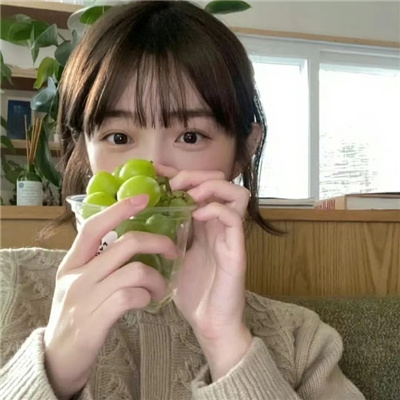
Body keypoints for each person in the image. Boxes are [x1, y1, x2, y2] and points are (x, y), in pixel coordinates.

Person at [0, 1, 365, 399]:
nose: (152, 168)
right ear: (84, 149)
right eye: (119, 137)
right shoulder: (9, 286)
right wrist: (53, 368)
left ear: (243, 150)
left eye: (190, 136)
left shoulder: (301, 341)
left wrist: (227, 345)